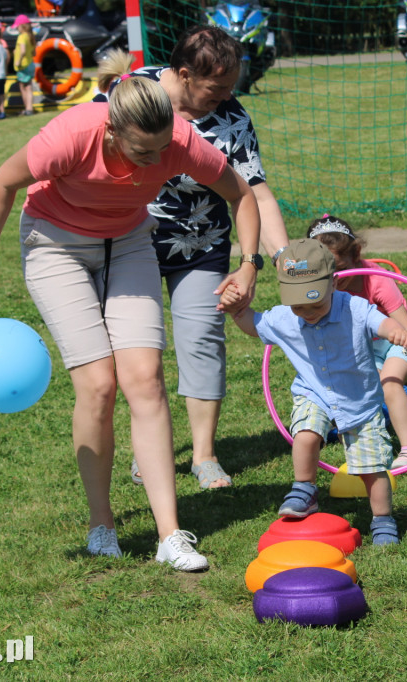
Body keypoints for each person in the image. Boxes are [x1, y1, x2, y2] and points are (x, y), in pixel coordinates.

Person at [0, 70, 262, 569]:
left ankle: (170, 536)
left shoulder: (179, 140)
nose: (157, 161)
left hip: (127, 242)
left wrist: (249, 263)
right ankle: (102, 525)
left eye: (163, 148)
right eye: (144, 152)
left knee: (146, 379)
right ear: (112, 132)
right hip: (55, 242)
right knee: (99, 384)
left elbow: (242, 194)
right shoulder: (70, 136)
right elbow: (4, 182)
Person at [94, 27, 290, 490]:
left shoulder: (231, 118)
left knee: (202, 339)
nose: (226, 96)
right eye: (216, 88)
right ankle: (150, 448)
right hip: (129, 243)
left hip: (202, 245)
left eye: (230, 87)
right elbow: (89, 147)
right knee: (139, 352)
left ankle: (204, 455)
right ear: (184, 74)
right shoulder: (133, 94)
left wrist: (278, 258)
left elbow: (256, 194)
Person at [224, 239, 407, 545]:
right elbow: (254, 324)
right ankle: (305, 489)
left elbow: (380, 321)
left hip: (359, 401)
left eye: (316, 304)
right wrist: (235, 311)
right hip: (313, 393)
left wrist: (393, 331)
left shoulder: (354, 307)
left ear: (332, 284)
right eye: (299, 305)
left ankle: (383, 520)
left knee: (373, 469)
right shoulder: (285, 317)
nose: (308, 312)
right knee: (306, 434)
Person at [307, 215, 407, 470]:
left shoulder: (377, 280)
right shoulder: (322, 285)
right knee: (349, 388)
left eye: (338, 268)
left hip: (397, 340)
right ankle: (340, 430)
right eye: (324, 269)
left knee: (389, 384)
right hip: (359, 345)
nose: (332, 277)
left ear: (356, 253)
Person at [11, 14, 35, 116]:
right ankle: (30, 108)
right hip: (30, 64)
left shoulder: (21, 37)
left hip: (23, 65)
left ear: (22, 26)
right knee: (29, 86)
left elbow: (23, 50)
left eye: (17, 26)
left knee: (23, 87)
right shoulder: (31, 36)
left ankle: (27, 108)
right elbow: (34, 53)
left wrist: (18, 61)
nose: (16, 28)